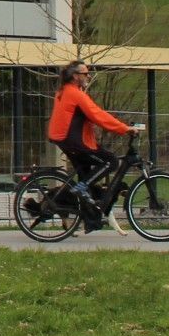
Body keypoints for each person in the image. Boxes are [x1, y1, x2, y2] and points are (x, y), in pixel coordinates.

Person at [46, 61, 132, 232]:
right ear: (75, 76)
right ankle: (80, 189)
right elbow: (98, 115)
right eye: (85, 73)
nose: (89, 76)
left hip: (64, 139)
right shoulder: (76, 95)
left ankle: (91, 221)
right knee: (111, 162)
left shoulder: (63, 91)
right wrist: (124, 128)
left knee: (86, 175)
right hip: (73, 141)